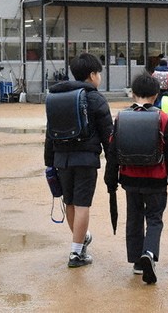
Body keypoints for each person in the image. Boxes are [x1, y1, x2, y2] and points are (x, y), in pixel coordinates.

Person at [104, 74, 168, 284]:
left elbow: (112, 152)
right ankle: (149, 253)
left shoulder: (121, 117)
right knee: (155, 218)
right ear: (156, 95)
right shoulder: (163, 118)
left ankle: (137, 262)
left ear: (133, 93)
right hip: (156, 179)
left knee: (134, 219)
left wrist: (110, 180)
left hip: (130, 179)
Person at [44, 53, 114, 268]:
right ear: (92, 75)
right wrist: (114, 160)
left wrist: (49, 162)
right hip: (85, 159)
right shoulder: (95, 98)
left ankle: (80, 240)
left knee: (70, 202)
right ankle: (76, 253)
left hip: (61, 159)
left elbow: (49, 134)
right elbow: (107, 133)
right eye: (99, 73)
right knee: (83, 204)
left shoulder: (56, 97)